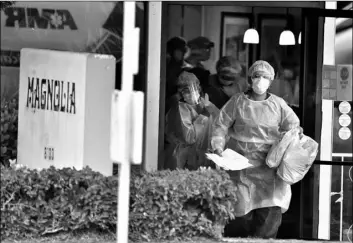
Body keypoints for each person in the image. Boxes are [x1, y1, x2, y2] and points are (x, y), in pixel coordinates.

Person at [210, 60, 302, 239]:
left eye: (265, 77)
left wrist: (294, 135)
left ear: (271, 80)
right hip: (241, 166)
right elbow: (220, 126)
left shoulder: (278, 104)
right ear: (250, 79)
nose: (261, 80)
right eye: (257, 76)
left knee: (269, 217)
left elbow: (293, 127)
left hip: (270, 167)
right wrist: (218, 146)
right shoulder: (237, 102)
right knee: (239, 216)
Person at [164, 71, 219, 170]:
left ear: (199, 88)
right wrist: (204, 115)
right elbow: (188, 137)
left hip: (204, 155)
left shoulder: (204, 103)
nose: (191, 93)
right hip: (183, 158)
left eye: (194, 89)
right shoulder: (180, 108)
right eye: (186, 91)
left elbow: (221, 122)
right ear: (180, 93)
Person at [165, 36, 193, 113]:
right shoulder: (163, 67)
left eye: (184, 50)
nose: (183, 54)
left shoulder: (187, 69)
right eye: (181, 50)